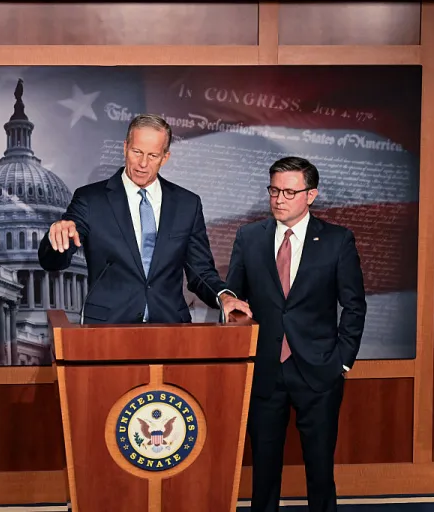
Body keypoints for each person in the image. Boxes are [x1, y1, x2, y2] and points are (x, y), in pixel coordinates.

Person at [225, 156, 367, 512]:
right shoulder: (248, 237)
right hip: (264, 373)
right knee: (264, 475)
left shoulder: (337, 241)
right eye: (274, 190)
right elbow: (234, 301)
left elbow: (354, 306)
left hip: (319, 372)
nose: (279, 199)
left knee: (320, 473)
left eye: (289, 191)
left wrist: (342, 363)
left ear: (311, 195)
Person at [38, 113, 251, 324]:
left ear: (165, 157)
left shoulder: (187, 204)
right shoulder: (90, 199)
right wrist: (56, 239)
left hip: (170, 330)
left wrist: (222, 295)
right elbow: (54, 262)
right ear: (125, 147)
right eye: (137, 152)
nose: (142, 163)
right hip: (106, 332)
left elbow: (200, 270)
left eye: (152, 156)